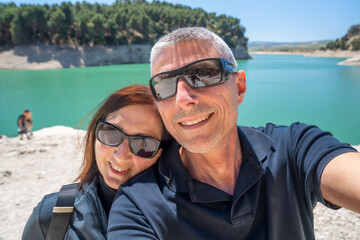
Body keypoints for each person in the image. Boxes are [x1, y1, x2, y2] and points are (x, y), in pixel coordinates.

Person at [108, 27, 360, 240]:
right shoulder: (137, 206)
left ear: (239, 87)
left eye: (204, 74)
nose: (183, 100)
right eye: (164, 85)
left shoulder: (294, 149)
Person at [22, 85, 167, 239]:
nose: (121, 155)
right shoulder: (51, 216)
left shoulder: (182, 219)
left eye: (143, 143)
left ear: (163, 151)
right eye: (111, 132)